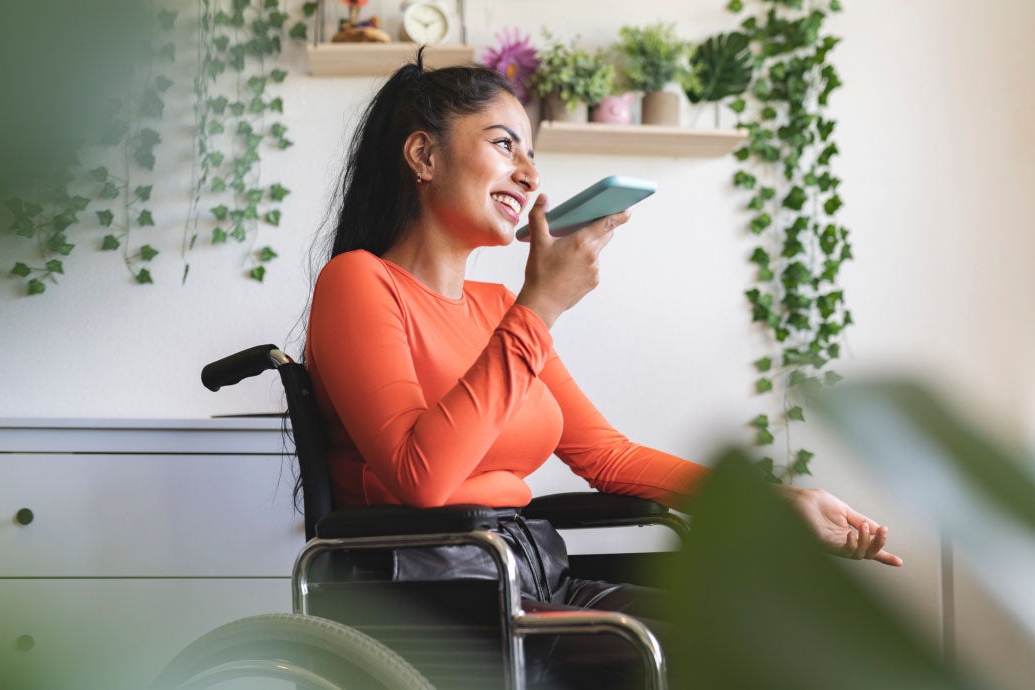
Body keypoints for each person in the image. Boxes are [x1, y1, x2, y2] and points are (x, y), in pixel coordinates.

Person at [304, 50, 901, 689]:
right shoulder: (360, 283)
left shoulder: (497, 308)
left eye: (531, 155)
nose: (529, 175)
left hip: (534, 576)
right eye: (506, 146)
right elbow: (421, 479)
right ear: (423, 156)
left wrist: (780, 502)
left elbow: (607, 457)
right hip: (436, 596)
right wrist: (542, 306)